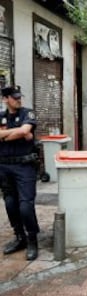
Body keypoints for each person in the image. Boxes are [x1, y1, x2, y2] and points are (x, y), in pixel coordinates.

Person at [0, 86, 40, 260]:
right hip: (4, 167)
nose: (18, 99)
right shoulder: (1, 116)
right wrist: (15, 133)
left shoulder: (27, 113)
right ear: (5, 99)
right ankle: (19, 237)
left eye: (19, 97)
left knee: (25, 206)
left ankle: (32, 239)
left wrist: (3, 135)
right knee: (10, 204)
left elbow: (25, 131)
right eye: (14, 97)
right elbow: (22, 133)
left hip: (25, 167)